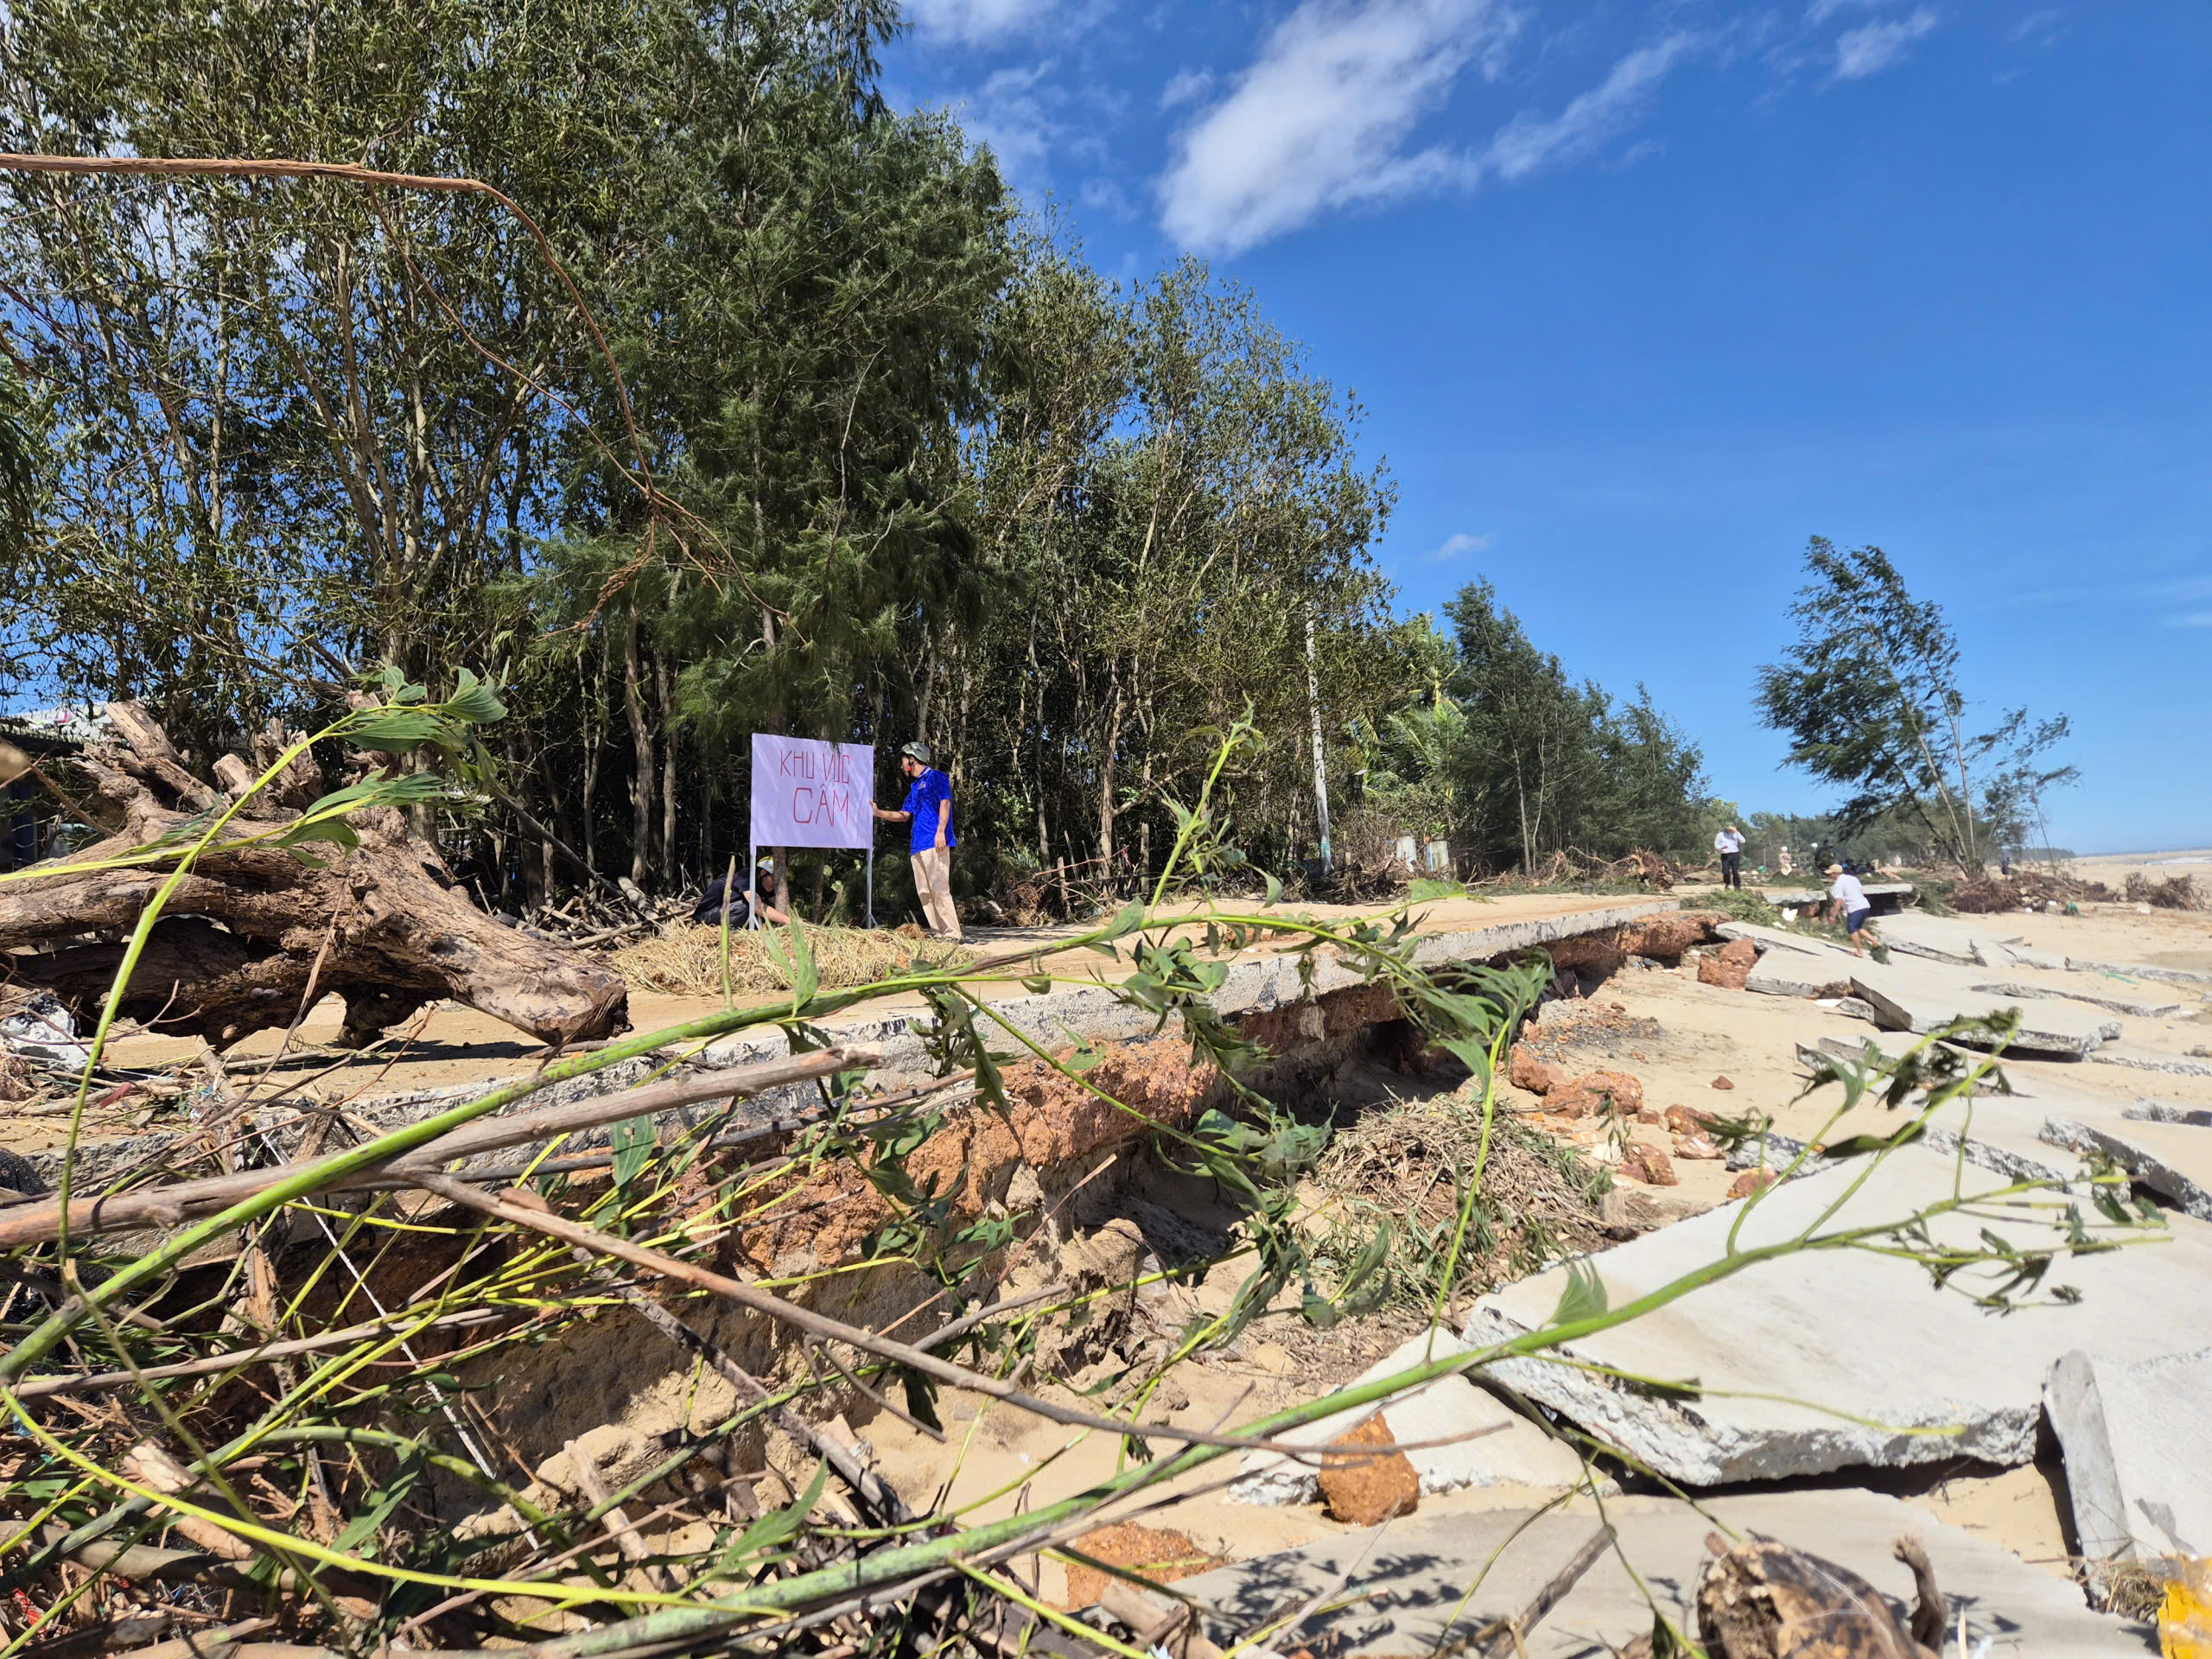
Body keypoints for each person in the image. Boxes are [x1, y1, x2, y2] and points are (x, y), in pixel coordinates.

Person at [874, 741, 960, 943]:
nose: (902, 765)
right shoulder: (914, 787)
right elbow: (904, 815)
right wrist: (878, 813)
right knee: (924, 892)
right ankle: (940, 933)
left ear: (912, 759)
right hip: (918, 845)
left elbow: (945, 803)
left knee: (939, 888)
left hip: (935, 842)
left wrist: (940, 832)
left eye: (904, 761)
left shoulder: (936, 777)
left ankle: (953, 933)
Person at [692, 863, 788, 929]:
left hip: (726, 912)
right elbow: (758, 907)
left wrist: (794, 919)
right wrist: (788, 921)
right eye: (774, 878)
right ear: (763, 873)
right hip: (706, 916)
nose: (776, 883)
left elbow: (778, 903)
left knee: (765, 908)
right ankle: (732, 932)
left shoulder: (763, 883)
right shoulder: (746, 876)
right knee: (745, 907)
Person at [1826, 861, 1878, 957]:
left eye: (1831, 874)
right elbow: (1859, 889)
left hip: (1854, 907)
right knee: (1858, 928)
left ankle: (1859, 952)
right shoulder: (1853, 878)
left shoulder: (1838, 884)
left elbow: (1839, 901)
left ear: (1836, 874)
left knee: (1851, 929)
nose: (1829, 875)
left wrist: (1833, 915)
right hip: (1864, 905)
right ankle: (1875, 942)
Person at [1713, 824, 1745, 891]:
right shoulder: (1720, 835)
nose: (1730, 830)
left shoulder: (1735, 834)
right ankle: (1727, 884)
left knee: (1735, 871)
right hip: (1725, 855)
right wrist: (1720, 848)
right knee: (1725, 871)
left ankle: (1737, 886)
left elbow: (1743, 841)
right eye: (1729, 829)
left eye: (1731, 829)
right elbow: (1716, 844)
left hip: (1735, 854)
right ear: (1725, 829)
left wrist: (1736, 832)